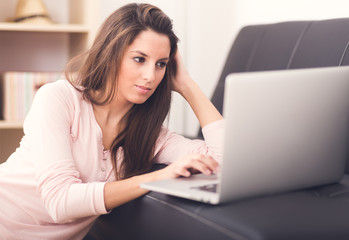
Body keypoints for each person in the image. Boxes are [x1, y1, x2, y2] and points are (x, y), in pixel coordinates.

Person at [0, 3, 224, 240]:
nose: (151, 76)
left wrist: (188, 85)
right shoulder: (58, 98)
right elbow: (60, 201)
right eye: (139, 59)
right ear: (111, 54)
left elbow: (222, 161)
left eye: (161, 64)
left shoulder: (150, 136)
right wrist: (158, 178)